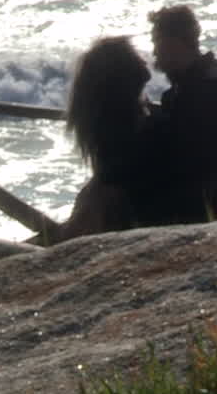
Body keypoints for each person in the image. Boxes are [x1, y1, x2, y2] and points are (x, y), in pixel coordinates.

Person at [49, 36, 163, 244]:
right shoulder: (120, 121)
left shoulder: (111, 115)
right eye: (136, 56)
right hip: (126, 205)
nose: (145, 60)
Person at [145, 5, 217, 224]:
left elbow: (183, 154)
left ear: (174, 43)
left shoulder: (205, 88)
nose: (154, 52)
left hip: (209, 210)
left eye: (156, 43)